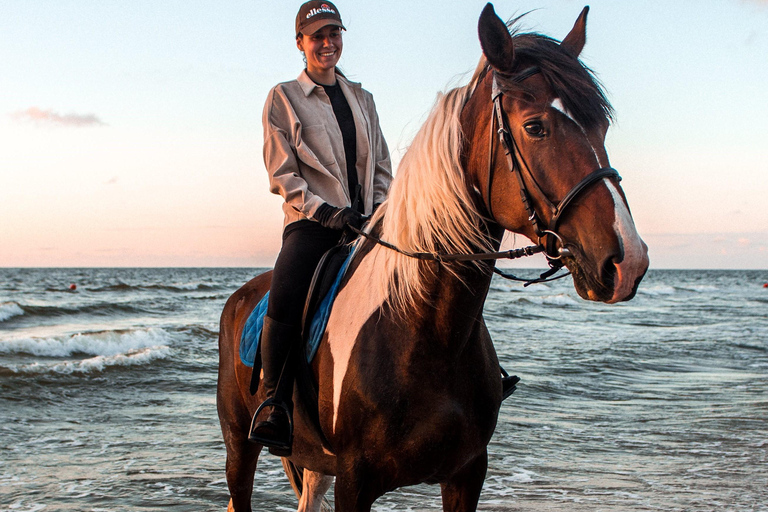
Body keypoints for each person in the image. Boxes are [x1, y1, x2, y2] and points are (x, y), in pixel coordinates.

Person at [248, 0, 392, 455]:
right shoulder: (283, 97)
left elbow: (383, 166)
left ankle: (475, 374)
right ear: (300, 43)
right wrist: (327, 212)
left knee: (432, 272)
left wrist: (382, 211)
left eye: (334, 34)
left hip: (368, 224)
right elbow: (282, 174)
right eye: (318, 36)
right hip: (313, 225)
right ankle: (275, 404)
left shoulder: (364, 99)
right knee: (288, 287)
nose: (328, 43)